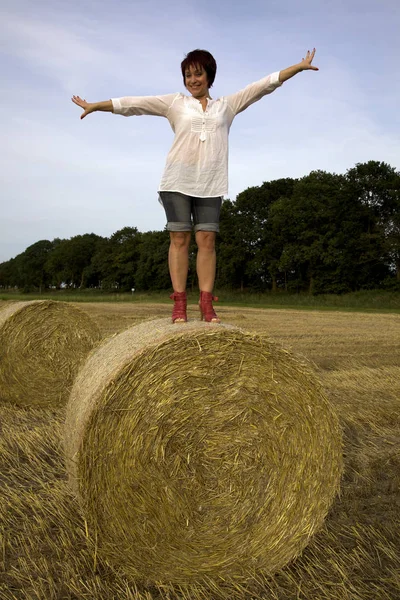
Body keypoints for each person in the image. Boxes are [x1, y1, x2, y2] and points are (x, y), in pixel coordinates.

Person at [72, 48, 318, 323]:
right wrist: (96, 105)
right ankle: (179, 304)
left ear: (209, 75)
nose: (192, 80)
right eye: (188, 75)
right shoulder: (175, 103)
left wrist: (297, 67)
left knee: (207, 240)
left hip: (211, 182)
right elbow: (134, 104)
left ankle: (206, 304)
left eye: (197, 74)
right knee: (179, 239)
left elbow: (263, 86)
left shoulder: (227, 105)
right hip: (177, 180)